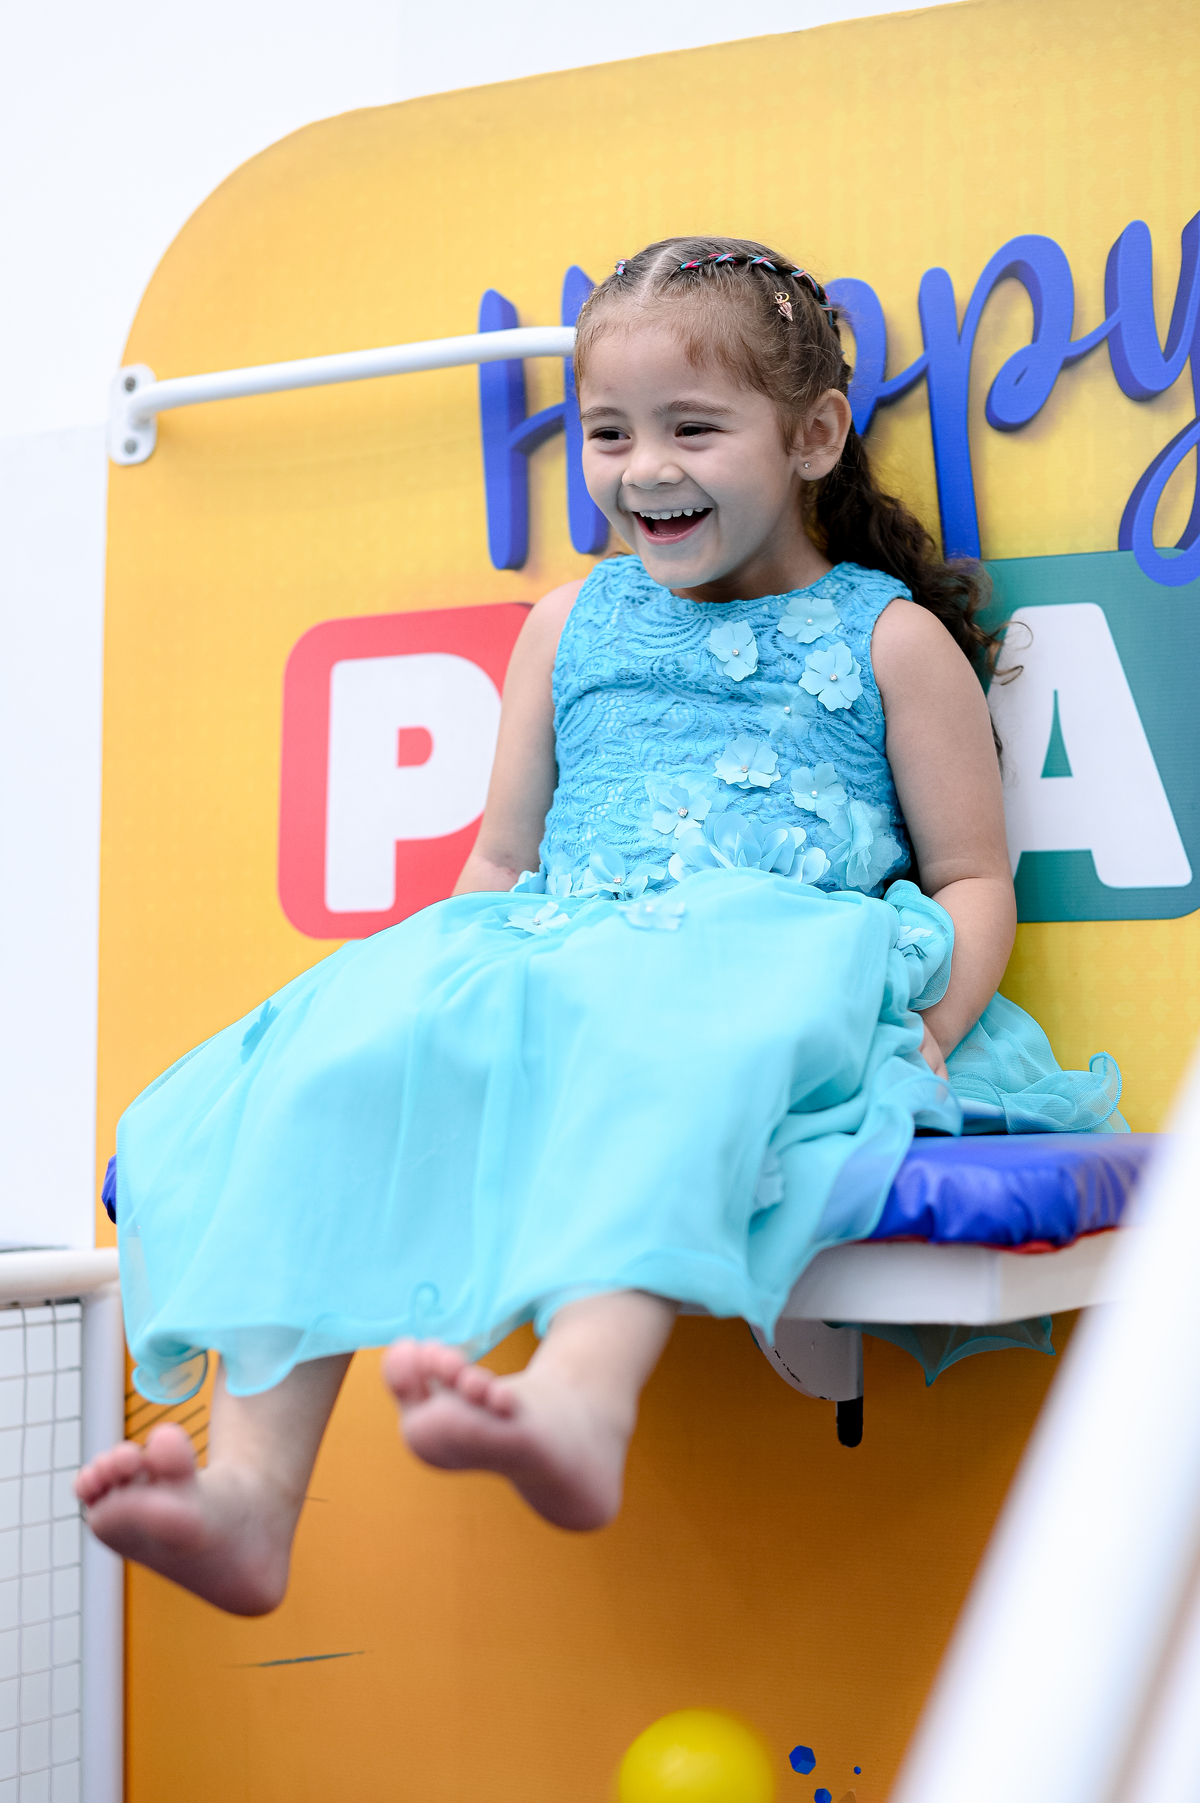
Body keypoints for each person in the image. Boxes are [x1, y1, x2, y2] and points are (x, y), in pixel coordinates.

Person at [75, 237, 1124, 1616]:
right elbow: (503, 856)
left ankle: (582, 1394)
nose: (643, 469)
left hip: (781, 974)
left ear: (813, 437)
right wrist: (427, 996)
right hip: (576, 950)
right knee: (334, 1055)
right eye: (610, 432)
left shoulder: (888, 641)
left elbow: (974, 878)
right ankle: (254, 1496)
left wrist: (929, 1028)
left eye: (693, 427)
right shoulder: (569, 625)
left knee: (681, 1037)